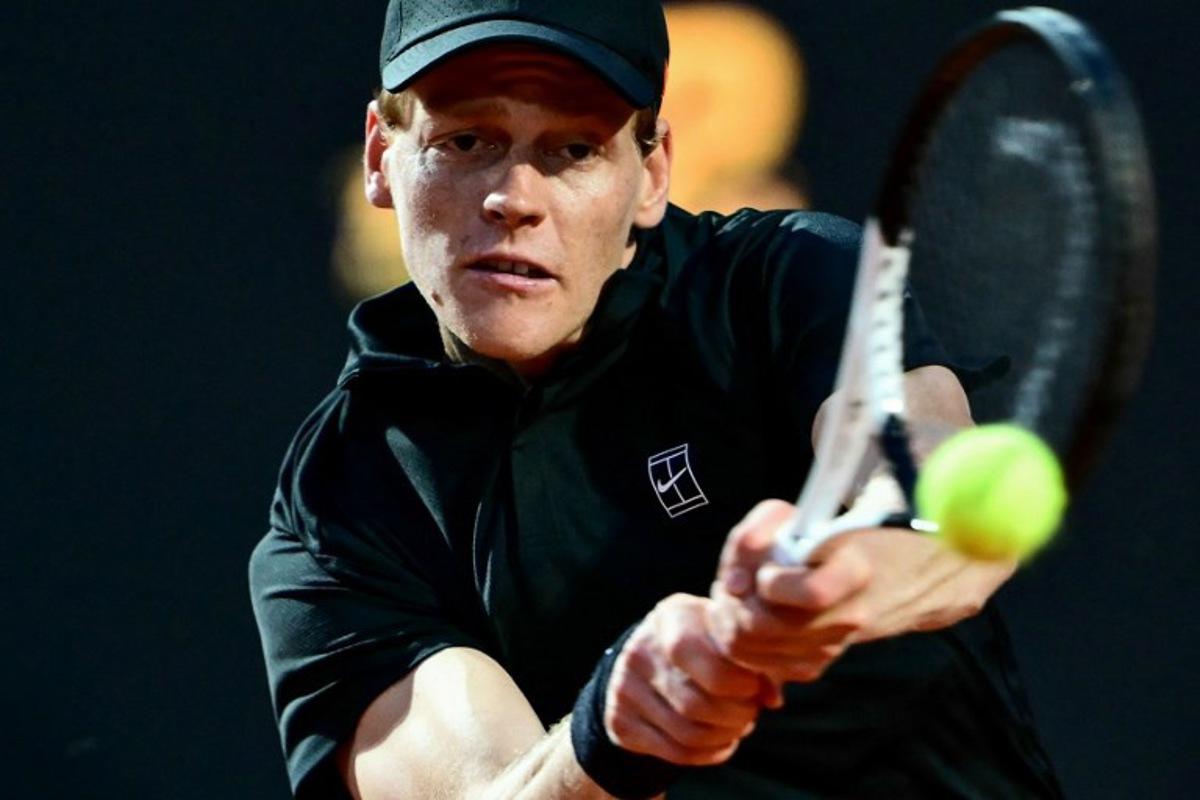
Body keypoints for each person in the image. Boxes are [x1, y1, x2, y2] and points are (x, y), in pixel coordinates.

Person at [249, 2, 1063, 797]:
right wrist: (608, 733)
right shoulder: (343, 505)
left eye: (573, 150)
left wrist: (841, 575)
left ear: (653, 176)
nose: (514, 197)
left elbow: (928, 490)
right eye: (466, 141)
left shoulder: (789, 281)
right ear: (380, 157)